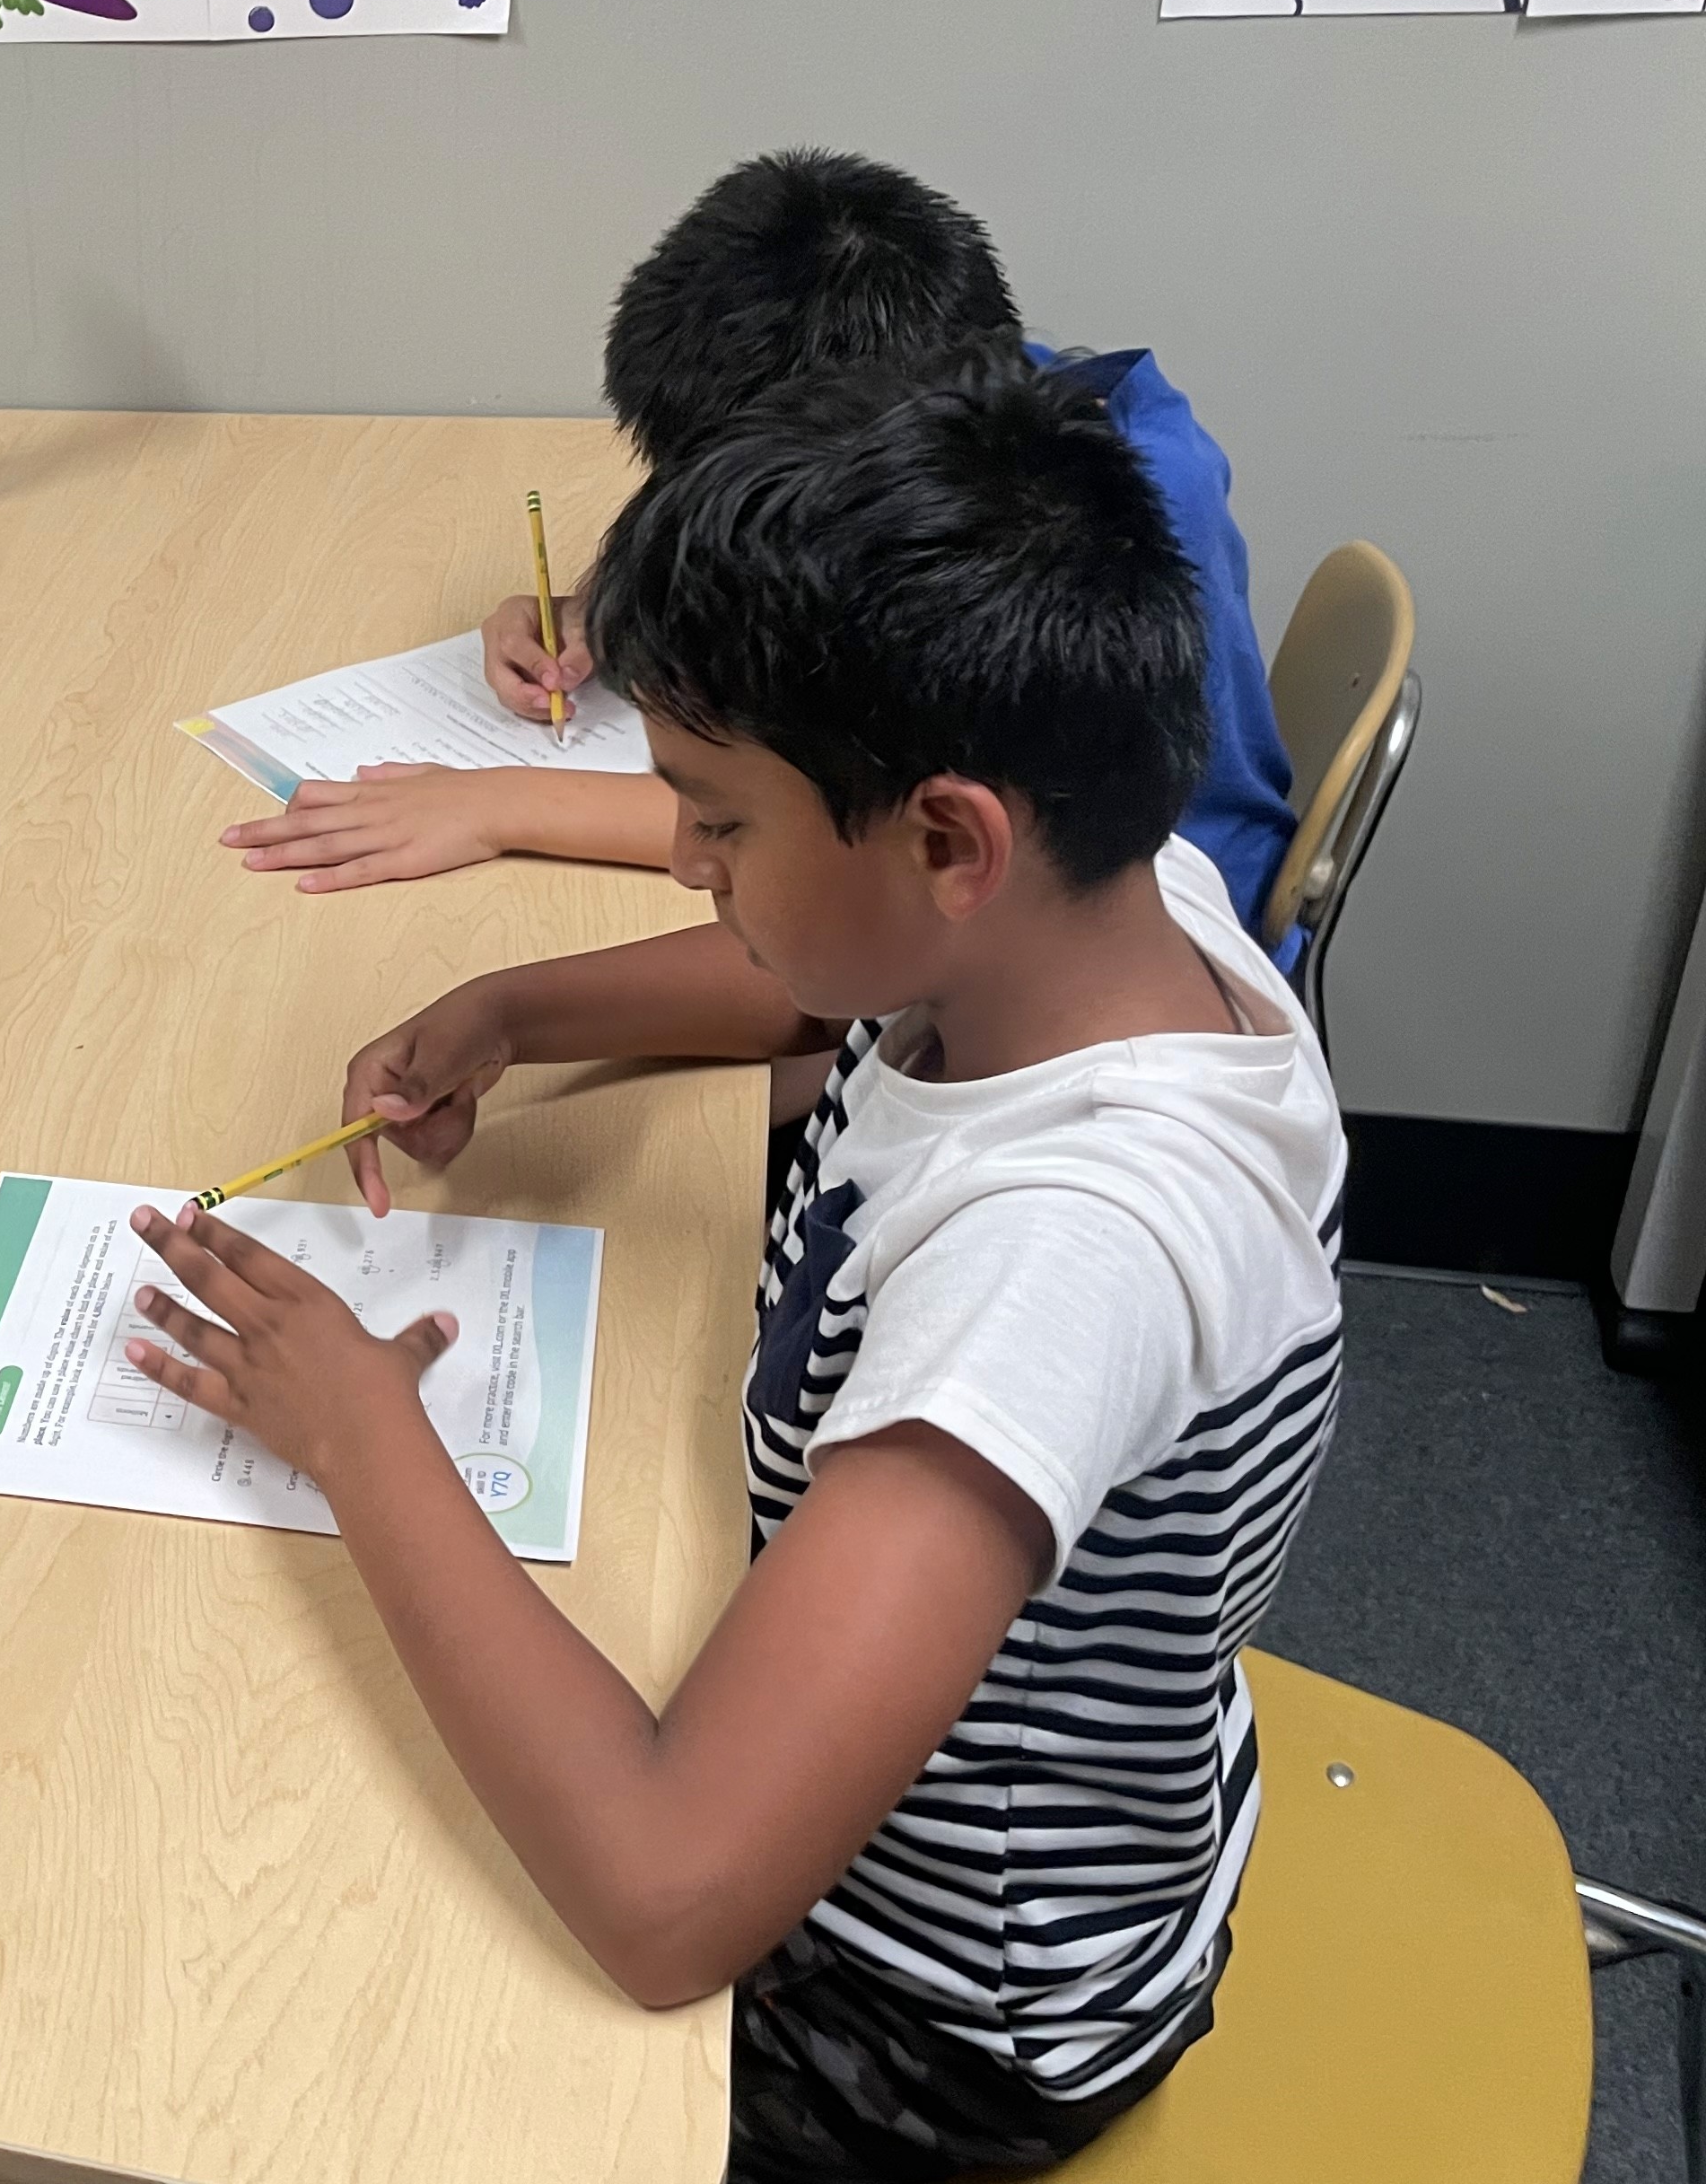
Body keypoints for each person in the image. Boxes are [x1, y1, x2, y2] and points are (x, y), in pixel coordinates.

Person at [123, 359, 1343, 2181]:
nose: (682, 864)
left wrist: (365, 1432)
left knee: (249, 1989)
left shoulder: (1067, 1252)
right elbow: (820, 978)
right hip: (1001, 1790)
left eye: (718, 818)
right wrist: (521, 1008)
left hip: (932, 2022)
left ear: (947, 838)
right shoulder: (1115, 897)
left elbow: (669, 1899)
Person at [223, 151, 1300, 948]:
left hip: (1156, 919)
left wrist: (504, 800)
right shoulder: (973, 394)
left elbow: (863, 839)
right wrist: (605, 606)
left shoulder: (1077, 530)